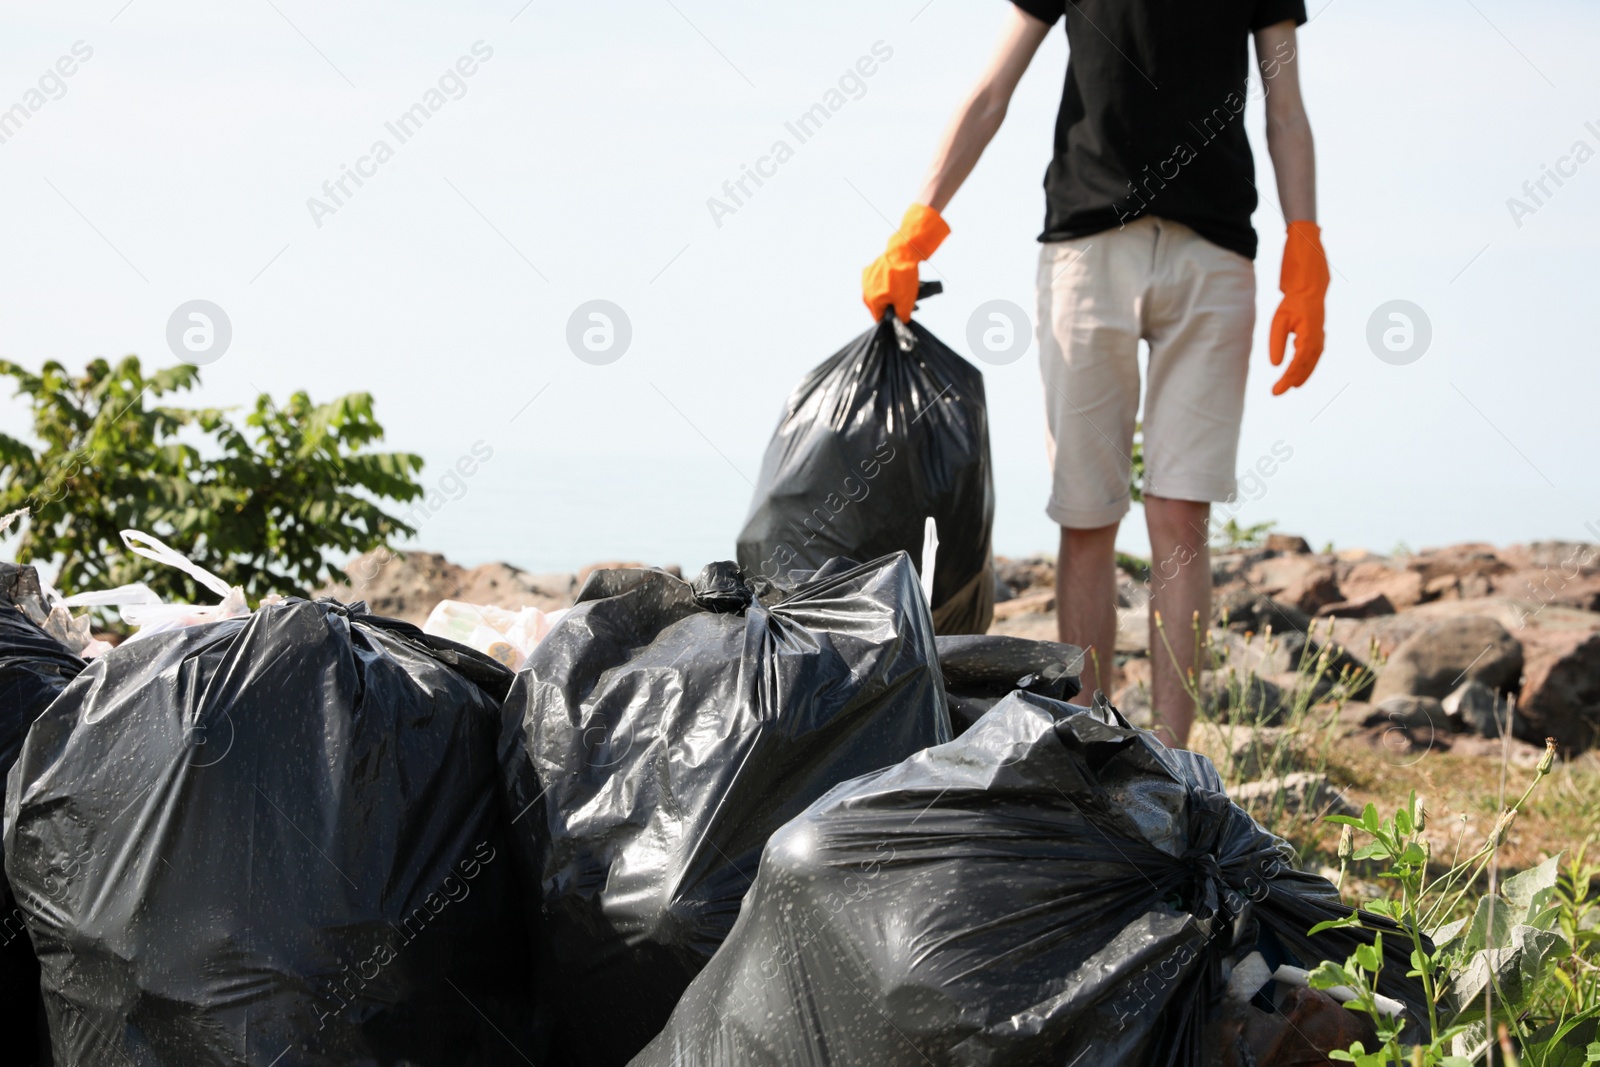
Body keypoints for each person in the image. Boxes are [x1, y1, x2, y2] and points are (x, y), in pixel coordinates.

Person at [862, 1, 1326, 748]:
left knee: (1182, 519)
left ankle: (1174, 765)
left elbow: (1287, 112)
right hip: (1085, 250)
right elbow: (991, 91)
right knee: (1086, 514)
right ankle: (1087, 746)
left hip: (1214, 261)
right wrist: (920, 222)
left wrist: (1306, 242)